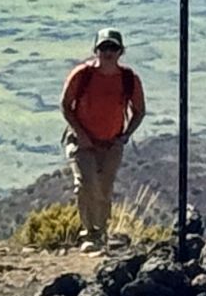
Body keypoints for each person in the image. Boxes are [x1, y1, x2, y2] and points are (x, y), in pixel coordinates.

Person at [59, 31, 147, 244]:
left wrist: (125, 136)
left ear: (121, 52)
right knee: (84, 184)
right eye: (103, 48)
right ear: (96, 51)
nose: (108, 53)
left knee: (104, 189)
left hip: (111, 144)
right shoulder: (82, 75)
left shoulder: (128, 79)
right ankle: (89, 232)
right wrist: (80, 134)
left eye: (113, 48)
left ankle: (101, 231)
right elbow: (65, 105)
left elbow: (139, 111)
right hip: (82, 142)